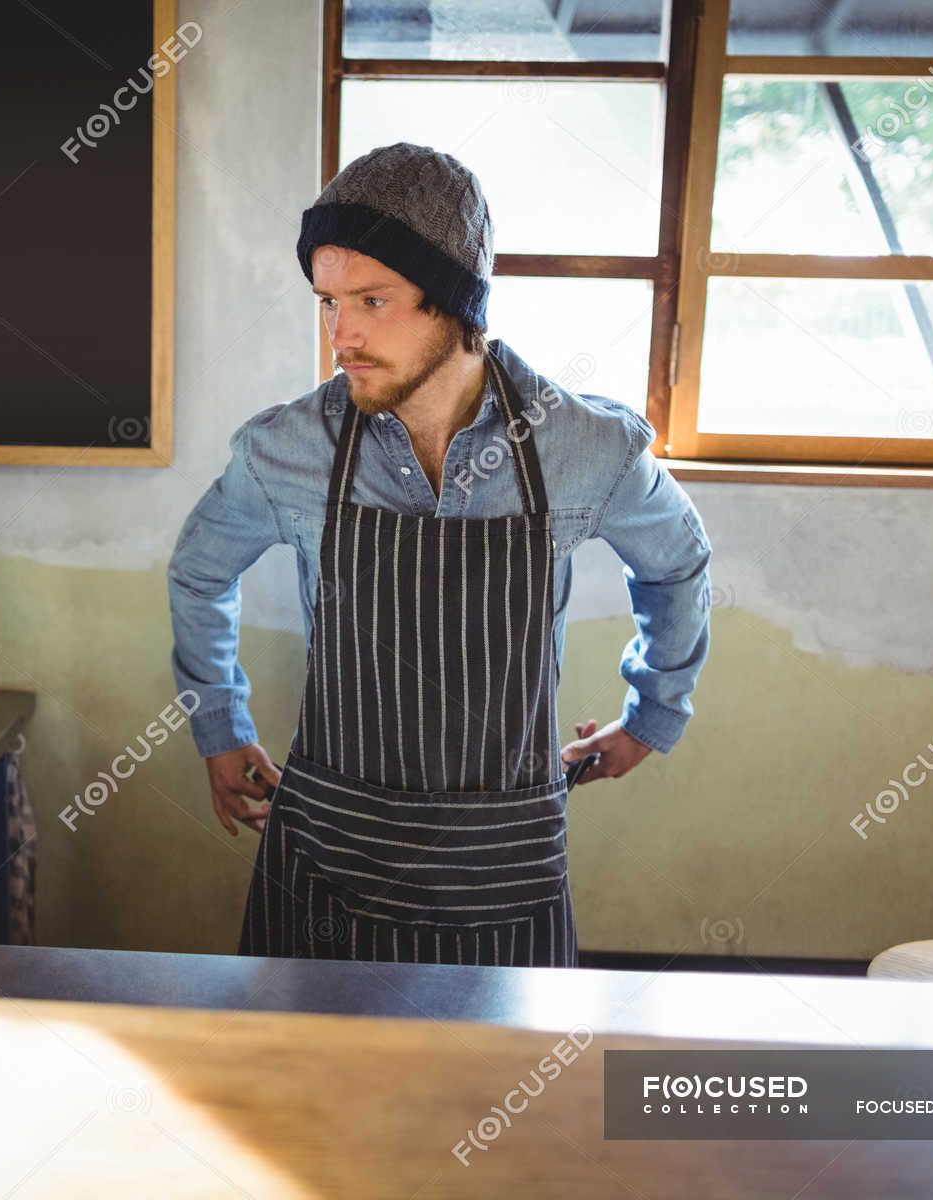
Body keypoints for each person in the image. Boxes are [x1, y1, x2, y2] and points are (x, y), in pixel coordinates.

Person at [167, 142, 711, 966]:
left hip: (504, 880)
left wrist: (653, 714)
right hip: (325, 871)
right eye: (326, 303)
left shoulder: (581, 445)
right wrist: (217, 722)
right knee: (296, 1091)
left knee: (501, 1095)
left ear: (455, 300)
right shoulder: (290, 449)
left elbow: (677, 564)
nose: (340, 334)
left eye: (372, 300)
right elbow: (200, 571)